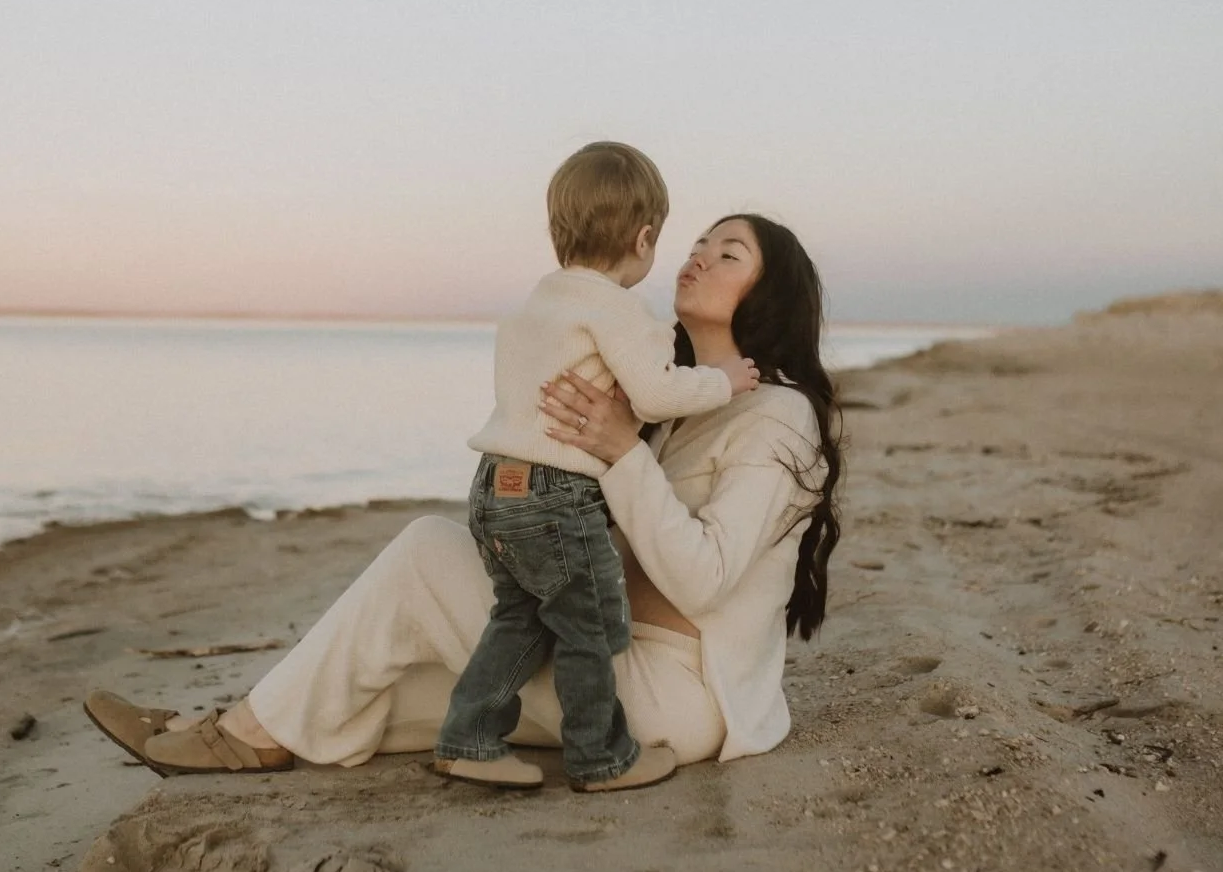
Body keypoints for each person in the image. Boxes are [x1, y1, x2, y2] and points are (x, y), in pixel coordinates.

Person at [84, 214, 842, 782]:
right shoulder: (670, 407)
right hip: (596, 650)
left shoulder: (779, 416)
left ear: (768, 293)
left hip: (672, 691)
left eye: (729, 253)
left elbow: (702, 577)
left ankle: (243, 735)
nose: (699, 256)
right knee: (391, 676)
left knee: (421, 554)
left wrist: (616, 452)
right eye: (699, 243)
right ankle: (237, 725)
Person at [434, 141, 758, 796]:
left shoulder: (534, 308)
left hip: (495, 484)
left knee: (519, 618)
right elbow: (656, 396)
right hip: (557, 496)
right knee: (594, 626)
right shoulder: (617, 311)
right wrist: (720, 382)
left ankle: (470, 736)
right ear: (643, 239)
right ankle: (600, 757)